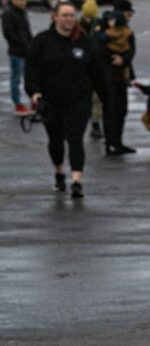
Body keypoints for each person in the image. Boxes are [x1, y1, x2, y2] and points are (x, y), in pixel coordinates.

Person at [25, 1, 109, 199]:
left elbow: (98, 73)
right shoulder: (41, 42)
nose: (69, 19)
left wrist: (107, 98)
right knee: (55, 141)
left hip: (78, 101)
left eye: (72, 15)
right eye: (65, 15)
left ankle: (77, 181)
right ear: (54, 17)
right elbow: (31, 71)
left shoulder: (85, 43)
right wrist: (34, 92)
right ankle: (59, 172)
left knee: (75, 139)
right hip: (51, 101)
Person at [97, 0, 135, 155]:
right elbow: (97, 47)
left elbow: (132, 48)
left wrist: (124, 59)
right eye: (128, 13)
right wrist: (114, 58)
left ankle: (118, 142)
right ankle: (110, 142)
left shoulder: (126, 29)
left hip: (122, 75)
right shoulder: (105, 27)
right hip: (107, 75)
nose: (130, 17)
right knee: (110, 109)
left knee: (121, 109)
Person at [2, 0, 33, 115]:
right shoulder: (8, 13)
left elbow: (27, 31)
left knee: (30, 77)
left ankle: (33, 101)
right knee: (16, 78)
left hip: (27, 51)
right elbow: (8, 33)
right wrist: (22, 44)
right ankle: (17, 104)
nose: (24, 2)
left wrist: (32, 44)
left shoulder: (22, 12)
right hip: (16, 52)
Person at [79, 0, 104, 138]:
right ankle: (95, 125)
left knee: (93, 99)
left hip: (86, 67)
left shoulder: (76, 25)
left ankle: (94, 124)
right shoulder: (99, 24)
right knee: (94, 99)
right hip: (89, 67)